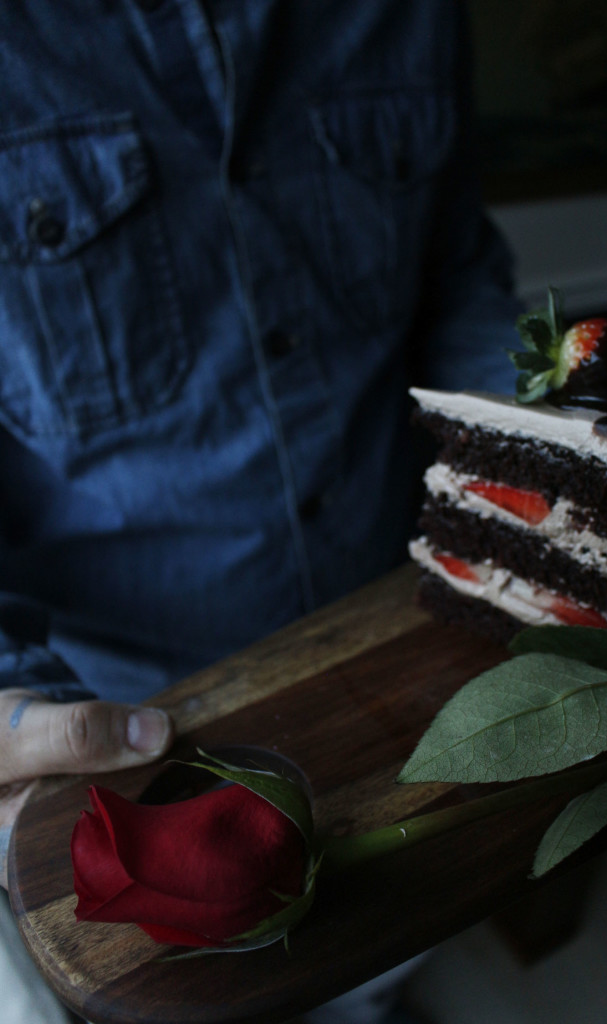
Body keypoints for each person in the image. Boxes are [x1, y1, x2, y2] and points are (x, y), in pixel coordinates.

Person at [0, 2, 521, 1020]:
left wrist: (550, 448)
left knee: (375, 963)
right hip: (139, 738)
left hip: (410, 637)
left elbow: (455, 270)